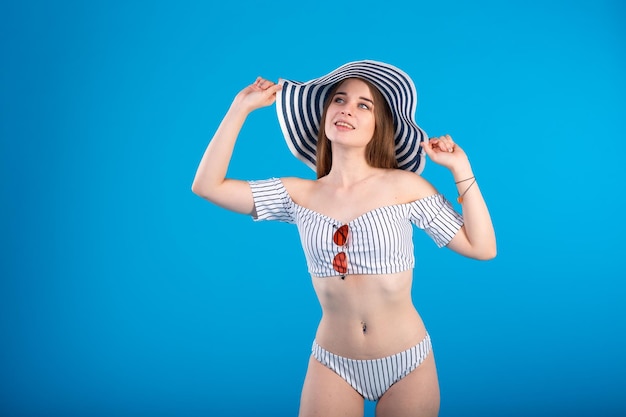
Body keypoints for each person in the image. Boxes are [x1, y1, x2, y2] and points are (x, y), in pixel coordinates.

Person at [192, 60, 496, 417]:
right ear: (324, 115)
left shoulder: (404, 186)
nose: (347, 109)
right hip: (333, 364)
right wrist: (239, 108)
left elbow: (482, 247)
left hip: (407, 362)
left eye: (363, 105)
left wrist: (462, 169)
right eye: (339, 100)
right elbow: (207, 186)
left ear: (378, 125)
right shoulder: (298, 193)